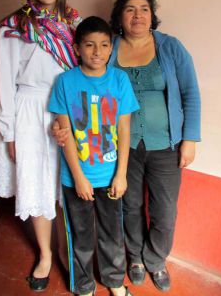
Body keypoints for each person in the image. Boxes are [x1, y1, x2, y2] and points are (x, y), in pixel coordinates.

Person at [0, 0, 81, 292]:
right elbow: (5, 83)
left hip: (68, 110)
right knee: (38, 186)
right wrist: (9, 132)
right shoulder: (14, 25)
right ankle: (45, 254)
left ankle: (70, 251)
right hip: (29, 112)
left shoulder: (74, 22)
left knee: (70, 182)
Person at [108, 0, 201, 292]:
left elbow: (191, 93)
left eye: (144, 9)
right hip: (123, 147)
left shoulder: (170, 47)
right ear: (119, 15)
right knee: (129, 205)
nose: (137, 16)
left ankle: (156, 259)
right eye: (130, 9)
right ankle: (134, 257)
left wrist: (189, 139)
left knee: (164, 210)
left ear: (152, 14)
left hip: (166, 145)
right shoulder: (109, 48)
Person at [48, 16, 139, 296]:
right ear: (77, 48)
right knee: (82, 236)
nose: (97, 52)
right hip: (77, 178)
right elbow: (64, 134)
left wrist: (121, 174)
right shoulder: (65, 82)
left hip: (111, 177)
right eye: (89, 45)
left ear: (111, 49)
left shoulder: (120, 80)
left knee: (112, 234)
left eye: (103, 45)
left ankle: (114, 281)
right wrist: (78, 178)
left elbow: (124, 130)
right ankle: (85, 285)